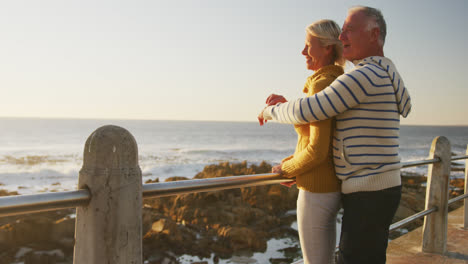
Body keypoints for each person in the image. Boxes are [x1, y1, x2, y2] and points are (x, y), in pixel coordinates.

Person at [258, 6, 411, 264]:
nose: (342, 38)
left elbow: (310, 108)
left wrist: (269, 111)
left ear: (374, 34)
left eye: (349, 30)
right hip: (383, 186)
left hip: (369, 190)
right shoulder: (385, 72)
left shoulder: (364, 76)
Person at [261, 19, 345, 264]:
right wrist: (288, 105)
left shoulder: (321, 85)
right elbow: (311, 134)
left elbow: (318, 150)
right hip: (327, 186)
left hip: (317, 189)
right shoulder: (333, 81)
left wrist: (285, 169)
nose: (303, 51)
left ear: (328, 48)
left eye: (309, 45)